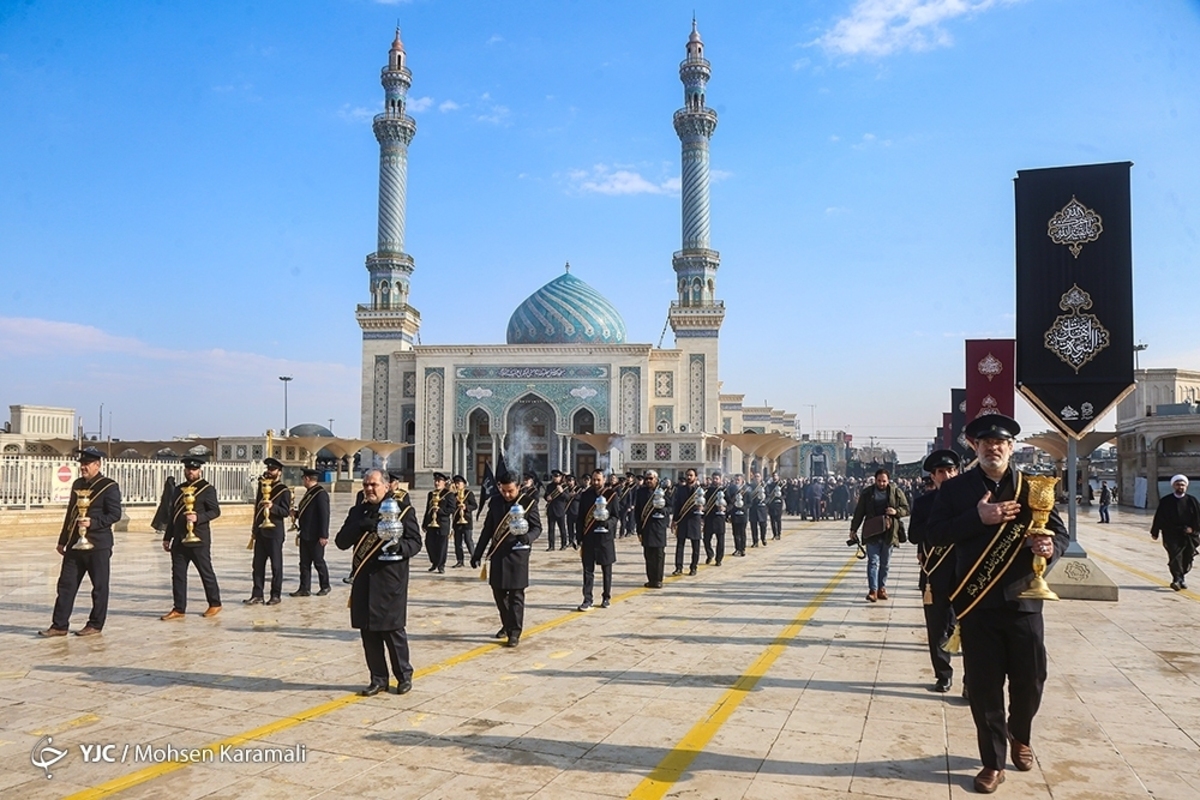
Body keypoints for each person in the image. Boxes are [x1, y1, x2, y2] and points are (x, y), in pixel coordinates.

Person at [926, 414, 1069, 794]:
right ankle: (992, 762)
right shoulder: (956, 491)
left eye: (1001, 442)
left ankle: (1020, 736)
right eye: (985, 442)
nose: (994, 447)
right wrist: (978, 517)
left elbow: (1060, 532)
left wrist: (1051, 549)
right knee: (986, 687)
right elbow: (933, 532)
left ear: (1011, 446)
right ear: (974, 447)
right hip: (977, 604)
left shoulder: (1031, 486)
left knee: (1031, 679)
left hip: (1024, 598)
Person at [335, 469, 423, 696]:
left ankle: (403, 675)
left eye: (374, 484)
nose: (369, 489)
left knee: (393, 631)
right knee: (368, 632)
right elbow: (341, 542)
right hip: (364, 580)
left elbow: (415, 542)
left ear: (386, 486)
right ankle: (378, 678)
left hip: (390, 579)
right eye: (366, 485)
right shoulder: (358, 511)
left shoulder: (403, 511)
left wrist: (399, 548)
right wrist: (360, 525)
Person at [41, 447, 123, 637]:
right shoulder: (78, 484)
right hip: (75, 543)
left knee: (99, 586)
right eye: (82, 464)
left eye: (87, 464)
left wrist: (93, 523)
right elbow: (71, 513)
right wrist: (63, 540)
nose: (83, 468)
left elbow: (115, 514)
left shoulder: (109, 486)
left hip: (98, 545)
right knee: (66, 585)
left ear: (97, 465)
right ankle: (59, 625)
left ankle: (95, 624)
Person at [907, 449, 960, 693]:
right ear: (933, 476)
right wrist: (936, 525)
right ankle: (943, 674)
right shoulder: (924, 503)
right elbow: (914, 535)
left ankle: (972, 681)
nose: (947, 475)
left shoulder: (969, 499)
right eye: (941, 472)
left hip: (964, 573)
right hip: (934, 574)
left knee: (969, 629)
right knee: (936, 627)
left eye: (950, 470)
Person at [472, 472, 542, 647]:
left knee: (516, 596)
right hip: (498, 555)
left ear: (518, 487)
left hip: (518, 555)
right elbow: (488, 529)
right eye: (503, 490)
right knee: (499, 594)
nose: (507, 494)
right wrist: (477, 553)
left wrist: (528, 537)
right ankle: (506, 624)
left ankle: (515, 632)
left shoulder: (528, 504)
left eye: (510, 491)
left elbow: (537, 527)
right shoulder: (495, 502)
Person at [159, 455, 223, 620]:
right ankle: (179, 608)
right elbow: (173, 515)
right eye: (188, 469)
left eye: (194, 469)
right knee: (178, 574)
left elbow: (215, 511)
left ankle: (215, 603)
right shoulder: (179, 490)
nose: (191, 472)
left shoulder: (207, 489)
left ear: (200, 470)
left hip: (199, 538)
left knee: (205, 571)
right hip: (180, 538)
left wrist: (198, 517)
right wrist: (168, 537)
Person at [849, 468, 909, 602]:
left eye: (884, 481)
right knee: (873, 562)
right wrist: (853, 529)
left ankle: (882, 587)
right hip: (872, 532)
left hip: (889, 532)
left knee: (885, 563)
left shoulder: (896, 492)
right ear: (875, 480)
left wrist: (896, 511)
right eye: (879, 481)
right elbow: (859, 512)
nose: (881, 484)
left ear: (888, 481)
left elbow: (906, 509)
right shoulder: (867, 493)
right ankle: (873, 590)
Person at [245, 457, 291, 606]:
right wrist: (254, 529)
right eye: (268, 469)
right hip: (261, 532)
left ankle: (275, 595)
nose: (269, 472)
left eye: (273, 470)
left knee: (276, 566)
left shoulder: (283, 490)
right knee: (257, 565)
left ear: (279, 472)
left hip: (275, 533)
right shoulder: (262, 486)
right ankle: (257, 594)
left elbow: (285, 512)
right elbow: (256, 509)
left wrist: (272, 507)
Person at [576, 469, 618, 611]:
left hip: (605, 538)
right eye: (594, 479)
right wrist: (579, 537)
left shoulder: (611, 495)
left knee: (607, 570)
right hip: (589, 538)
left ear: (604, 480)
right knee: (588, 571)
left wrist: (607, 523)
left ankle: (606, 597)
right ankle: (587, 599)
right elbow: (580, 517)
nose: (595, 482)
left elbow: (615, 516)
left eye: (598, 480)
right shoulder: (586, 495)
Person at [1150, 475, 1200, 591]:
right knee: (1175, 556)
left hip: (1188, 535)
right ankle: (1177, 579)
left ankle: (1181, 577)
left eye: (1182, 485)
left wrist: (1193, 529)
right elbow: (1159, 517)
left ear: (1186, 486)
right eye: (1178, 485)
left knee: (1187, 558)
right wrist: (1155, 532)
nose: (1180, 487)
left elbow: (1198, 518)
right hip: (1171, 534)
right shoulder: (1166, 501)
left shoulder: (1192, 501)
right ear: (1173, 486)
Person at [291, 468, 331, 597]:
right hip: (305, 533)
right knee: (304, 563)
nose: (303, 481)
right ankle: (304, 588)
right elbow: (307, 512)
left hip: (316, 535)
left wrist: (324, 535)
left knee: (318, 561)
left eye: (303, 479)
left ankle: (325, 586)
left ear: (307, 479)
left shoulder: (320, 494)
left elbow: (324, 515)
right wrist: (296, 514)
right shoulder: (309, 493)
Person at [634, 470, 669, 587]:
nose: (648, 481)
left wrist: (662, 510)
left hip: (659, 528)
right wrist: (639, 529)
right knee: (648, 555)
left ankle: (658, 580)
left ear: (656, 479)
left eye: (651, 478)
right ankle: (651, 579)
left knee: (658, 556)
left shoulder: (663, 491)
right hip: (646, 528)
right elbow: (638, 511)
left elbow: (670, 507)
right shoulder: (640, 492)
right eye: (647, 478)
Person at [422, 472, 458, 574]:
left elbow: (452, 509)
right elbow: (427, 509)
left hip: (443, 524)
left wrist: (441, 511)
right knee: (429, 543)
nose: (437, 483)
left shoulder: (449, 494)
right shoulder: (431, 494)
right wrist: (425, 523)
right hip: (431, 524)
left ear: (444, 482)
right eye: (435, 481)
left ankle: (441, 565)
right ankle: (434, 562)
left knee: (442, 546)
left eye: (439, 481)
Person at [671, 468, 704, 576]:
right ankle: (678, 567)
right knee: (680, 545)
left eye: (691, 475)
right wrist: (674, 520)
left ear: (695, 477)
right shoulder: (680, 489)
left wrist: (703, 509)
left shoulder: (701, 490)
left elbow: (707, 505)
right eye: (687, 475)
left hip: (695, 520)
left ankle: (693, 567)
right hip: (683, 520)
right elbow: (677, 506)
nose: (689, 477)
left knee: (696, 546)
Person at [450, 475, 478, 568]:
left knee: (468, 540)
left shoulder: (468, 493)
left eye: (459, 483)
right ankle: (460, 560)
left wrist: (466, 507)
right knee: (457, 542)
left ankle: (474, 558)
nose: (457, 485)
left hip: (467, 521)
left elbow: (474, 505)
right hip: (457, 521)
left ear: (464, 484)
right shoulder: (453, 495)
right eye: (456, 483)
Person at [703, 471, 727, 566]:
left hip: (719, 519)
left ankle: (719, 559)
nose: (715, 480)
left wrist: (725, 508)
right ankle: (710, 554)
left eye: (717, 478)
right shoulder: (707, 490)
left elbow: (730, 503)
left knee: (720, 541)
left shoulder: (724, 490)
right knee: (706, 539)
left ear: (720, 479)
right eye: (714, 478)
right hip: (709, 518)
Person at [544, 470, 568, 551]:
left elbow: (567, 498)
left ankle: (563, 544)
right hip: (551, 510)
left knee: (562, 529)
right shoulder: (549, 486)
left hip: (560, 510)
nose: (555, 478)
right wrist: (547, 497)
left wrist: (561, 492)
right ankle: (551, 546)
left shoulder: (564, 486)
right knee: (551, 529)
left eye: (557, 476)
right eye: (554, 476)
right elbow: (545, 495)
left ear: (560, 477)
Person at [727, 474, 748, 557]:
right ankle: (737, 548)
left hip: (743, 514)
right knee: (735, 533)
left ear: (742, 480)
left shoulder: (746, 490)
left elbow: (749, 503)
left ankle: (742, 549)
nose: (736, 481)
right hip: (734, 514)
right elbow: (729, 500)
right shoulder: (731, 489)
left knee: (742, 532)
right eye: (735, 479)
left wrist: (743, 507)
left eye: (738, 480)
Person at [747, 471, 768, 547]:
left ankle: (763, 538)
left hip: (762, 509)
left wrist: (764, 501)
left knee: (763, 525)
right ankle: (755, 541)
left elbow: (768, 496)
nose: (756, 478)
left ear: (761, 477)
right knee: (753, 526)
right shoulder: (750, 486)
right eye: (755, 476)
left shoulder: (764, 486)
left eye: (758, 476)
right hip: (753, 508)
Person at [766, 473, 784, 540]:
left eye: (776, 476)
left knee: (778, 520)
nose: (775, 477)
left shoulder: (781, 485)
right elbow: (768, 494)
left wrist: (780, 496)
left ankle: (778, 534)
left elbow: (785, 494)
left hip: (779, 504)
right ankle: (774, 534)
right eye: (773, 476)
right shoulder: (770, 485)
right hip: (772, 504)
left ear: (778, 477)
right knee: (772, 520)